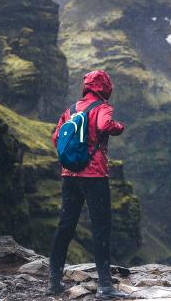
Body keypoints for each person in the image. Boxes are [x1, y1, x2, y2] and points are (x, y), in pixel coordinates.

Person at [47, 70, 129, 298]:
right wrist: (119, 127)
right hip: (94, 176)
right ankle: (105, 286)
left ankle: (54, 281)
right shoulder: (103, 108)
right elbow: (105, 126)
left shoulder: (71, 110)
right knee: (101, 227)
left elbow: (56, 138)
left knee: (66, 225)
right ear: (105, 87)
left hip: (69, 174)